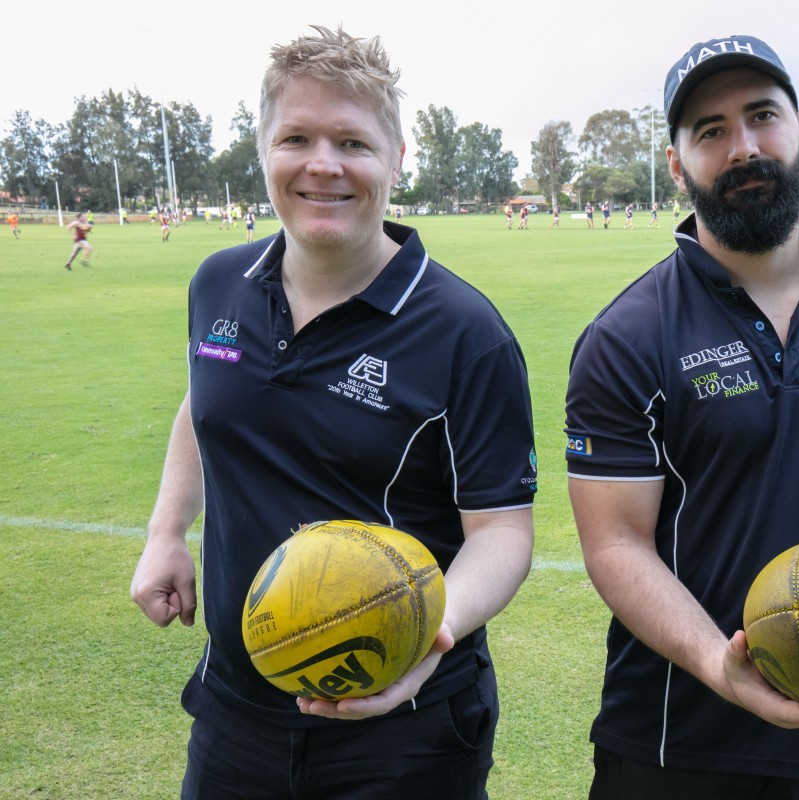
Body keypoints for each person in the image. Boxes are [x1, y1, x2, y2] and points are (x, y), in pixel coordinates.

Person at [129, 26, 537, 799]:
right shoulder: (218, 283)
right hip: (235, 715)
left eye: (353, 141)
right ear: (264, 149)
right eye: (298, 138)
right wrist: (164, 533)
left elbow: (503, 533)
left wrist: (429, 634)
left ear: (396, 157)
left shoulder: (465, 332)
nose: (324, 164)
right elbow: (204, 403)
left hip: (405, 732)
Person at [564, 35, 799, 798]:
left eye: (761, 116)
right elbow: (616, 543)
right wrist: (719, 666)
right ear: (677, 165)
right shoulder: (626, 337)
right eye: (710, 131)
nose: (742, 147)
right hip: (675, 743)